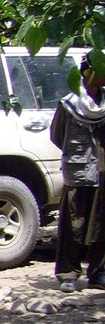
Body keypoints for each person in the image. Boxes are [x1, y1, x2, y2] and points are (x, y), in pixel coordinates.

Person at [50, 60, 105, 292]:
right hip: (79, 170)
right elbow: (57, 135)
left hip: (102, 170)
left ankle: (99, 272)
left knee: (102, 224)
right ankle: (68, 274)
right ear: (88, 73)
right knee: (74, 223)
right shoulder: (69, 104)